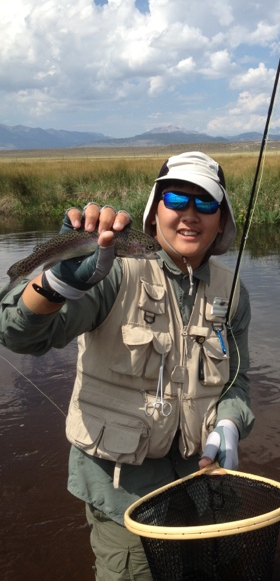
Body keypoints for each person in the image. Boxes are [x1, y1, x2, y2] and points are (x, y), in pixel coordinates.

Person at [0, 151, 254, 580]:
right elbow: (18, 335)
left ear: (221, 220)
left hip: (199, 487)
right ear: (153, 214)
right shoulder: (112, 272)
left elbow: (237, 381)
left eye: (206, 203)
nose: (190, 215)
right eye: (176, 200)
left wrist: (229, 423)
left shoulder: (234, 292)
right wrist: (60, 282)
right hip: (122, 499)